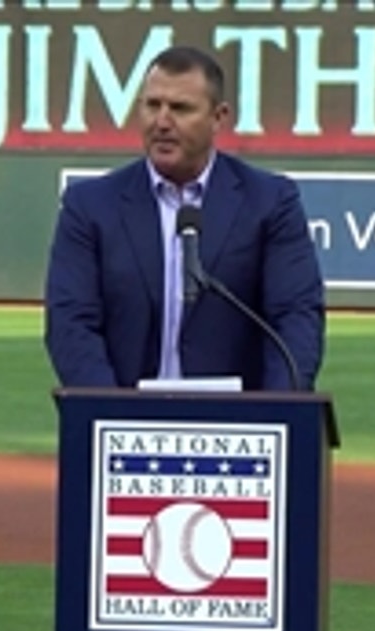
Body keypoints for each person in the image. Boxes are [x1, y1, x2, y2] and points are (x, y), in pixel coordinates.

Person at [43, 45, 325, 391]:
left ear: (218, 117)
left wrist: (277, 416)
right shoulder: (89, 206)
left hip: (236, 428)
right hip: (124, 421)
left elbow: (295, 318)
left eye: (180, 108)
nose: (162, 122)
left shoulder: (270, 202)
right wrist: (108, 412)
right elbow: (71, 323)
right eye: (152, 105)